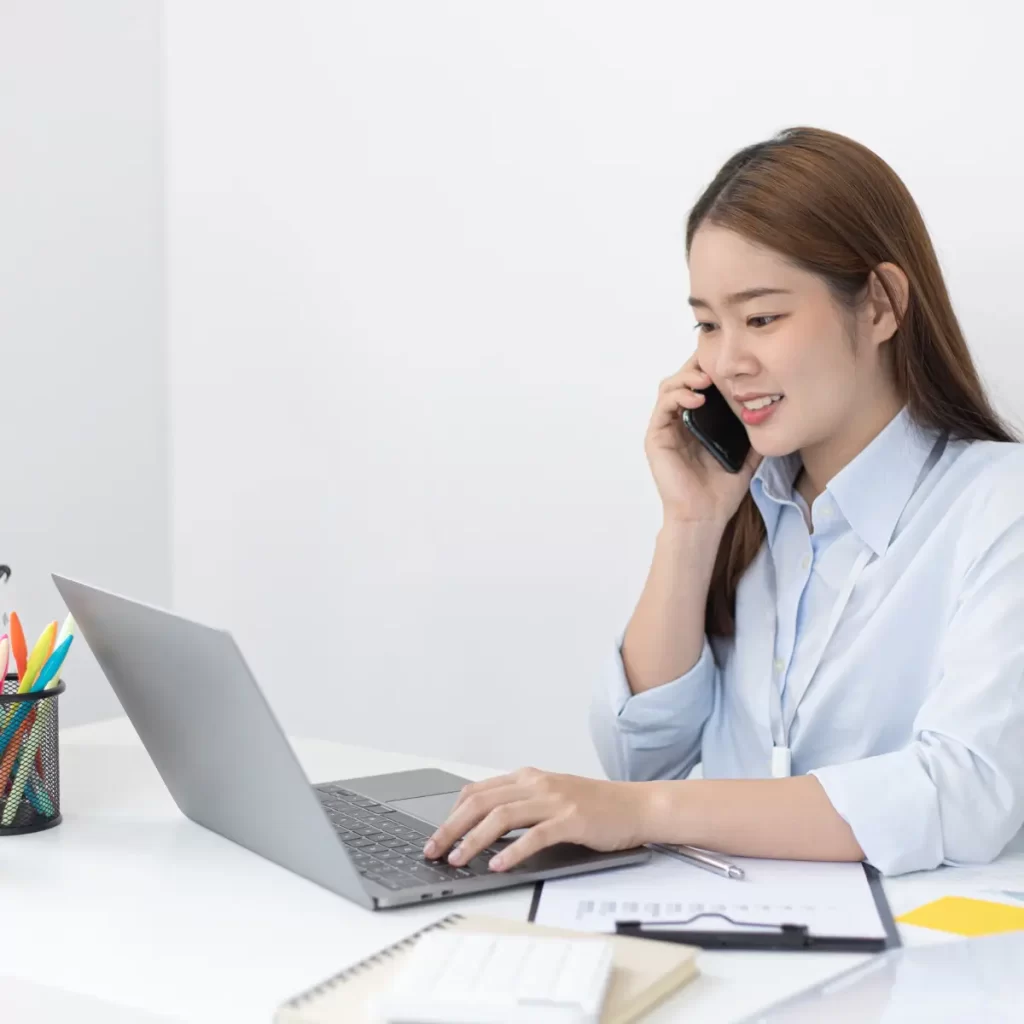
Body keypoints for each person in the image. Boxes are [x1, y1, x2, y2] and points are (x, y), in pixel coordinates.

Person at [423, 126, 1024, 877]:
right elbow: (643, 755)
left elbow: (962, 792)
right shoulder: (752, 501)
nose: (727, 362)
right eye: (708, 323)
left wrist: (645, 814)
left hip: (915, 969)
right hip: (727, 936)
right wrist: (691, 524)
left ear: (878, 304)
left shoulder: (1000, 505)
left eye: (762, 318)